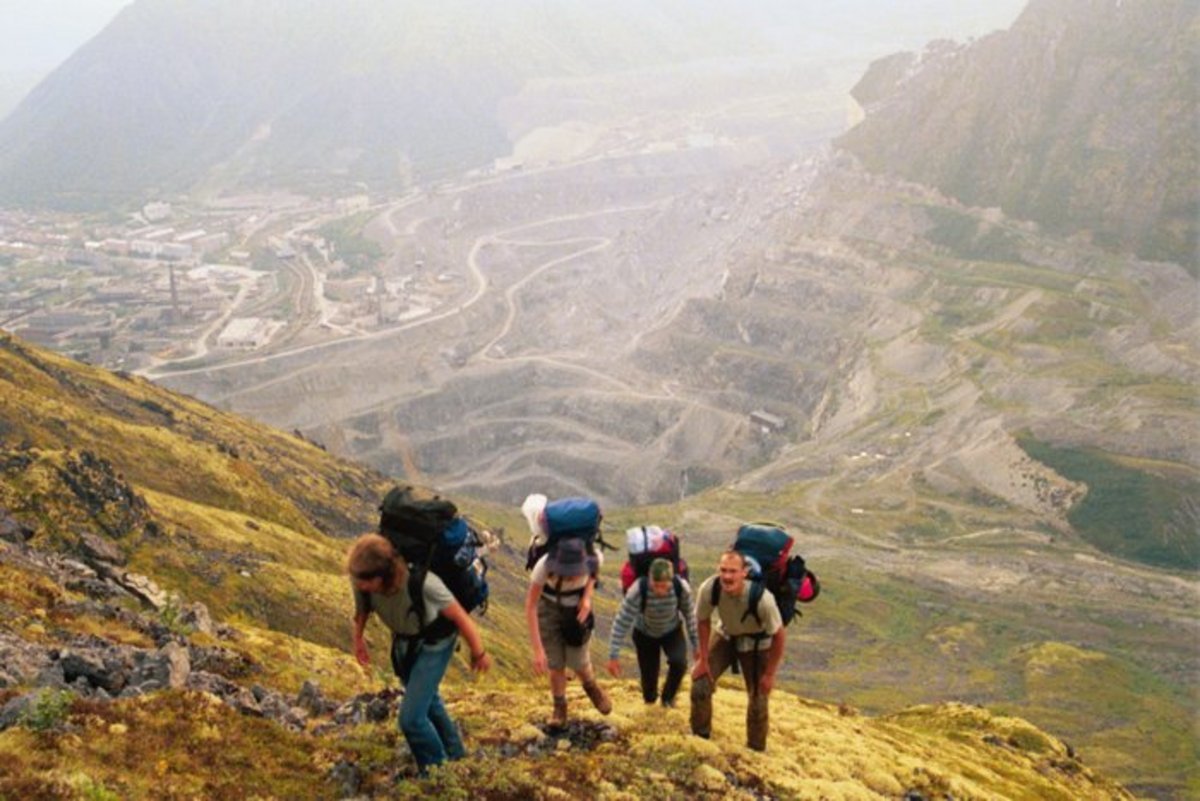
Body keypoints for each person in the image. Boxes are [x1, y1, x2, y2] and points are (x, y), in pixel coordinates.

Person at [348, 533, 491, 774]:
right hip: (406, 642)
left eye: (366, 582)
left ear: (383, 575)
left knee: (411, 719)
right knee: (428, 700)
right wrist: (358, 640)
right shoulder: (361, 578)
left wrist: (479, 653)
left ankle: (436, 773)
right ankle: (456, 755)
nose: (360, 586)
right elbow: (362, 609)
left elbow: (460, 617)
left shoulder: (424, 583)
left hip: (436, 643)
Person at [690, 548, 785, 752]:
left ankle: (755, 751)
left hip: (757, 645)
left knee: (758, 701)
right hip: (726, 635)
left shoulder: (762, 599)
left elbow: (779, 635)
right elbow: (703, 620)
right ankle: (700, 740)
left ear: (744, 572)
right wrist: (704, 659)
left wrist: (769, 674)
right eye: (723, 570)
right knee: (700, 684)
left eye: (733, 571)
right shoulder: (710, 588)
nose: (727, 576)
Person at [525, 537, 612, 725]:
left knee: (579, 661)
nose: (573, 576)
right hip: (547, 609)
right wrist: (538, 651)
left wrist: (587, 597)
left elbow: (594, 573)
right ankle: (559, 707)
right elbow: (531, 605)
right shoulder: (544, 565)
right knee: (555, 664)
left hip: (576, 610)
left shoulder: (593, 557)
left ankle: (592, 688)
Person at [605, 557, 699, 708]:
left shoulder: (680, 587)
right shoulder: (638, 590)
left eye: (664, 586)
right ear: (649, 579)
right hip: (645, 634)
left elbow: (690, 616)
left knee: (679, 663)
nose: (660, 590)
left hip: (672, 630)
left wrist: (697, 645)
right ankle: (650, 701)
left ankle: (668, 699)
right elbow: (621, 621)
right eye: (655, 585)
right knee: (649, 677)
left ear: (671, 580)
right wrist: (613, 656)